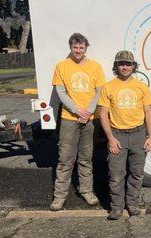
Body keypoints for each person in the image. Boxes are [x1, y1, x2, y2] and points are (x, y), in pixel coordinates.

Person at [50, 33, 105, 211]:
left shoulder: (95, 67)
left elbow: (99, 92)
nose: (78, 50)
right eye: (75, 47)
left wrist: (88, 111)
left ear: (86, 48)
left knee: (86, 157)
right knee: (65, 158)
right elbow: (61, 92)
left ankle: (86, 191)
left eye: (81, 47)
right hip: (69, 118)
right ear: (71, 47)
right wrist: (76, 110)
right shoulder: (62, 66)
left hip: (90, 118)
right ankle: (59, 196)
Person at [98, 51, 151, 220]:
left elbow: (149, 112)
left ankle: (133, 204)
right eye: (121, 63)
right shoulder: (108, 87)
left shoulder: (141, 86)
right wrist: (110, 138)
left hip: (138, 134)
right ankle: (116, 208)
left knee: (137, 173)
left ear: (133, 66)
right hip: (117, 135)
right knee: (116, 175)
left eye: (128, 64)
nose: (125, 67)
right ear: (116, 66)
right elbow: (103, 114)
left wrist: (150, 136)